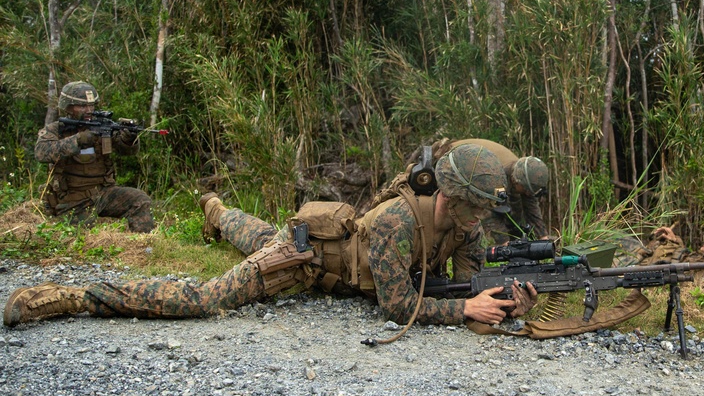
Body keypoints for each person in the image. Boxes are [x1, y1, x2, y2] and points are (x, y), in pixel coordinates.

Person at [4, 144, 538, 329]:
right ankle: (72, 297)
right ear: (454, 197)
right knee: (204, 299)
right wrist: (464, 313)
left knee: (251, 231)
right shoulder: (401, 220)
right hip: (306, 259)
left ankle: (216, 212)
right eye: (474, 211)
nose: (478, 224)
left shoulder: (465, 229)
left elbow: (470, 292)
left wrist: (507, 301)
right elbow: (398, 307)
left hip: (331, 259)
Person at [34, 81, 154, 233]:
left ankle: (143, 247)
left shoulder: (102, 127)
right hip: (72, 199)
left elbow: (127, 151)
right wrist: (78, 140)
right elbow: (41, 152)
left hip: (103, 193)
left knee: (140, 200)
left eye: (91, 106)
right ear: (68, 107)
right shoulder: (56, 130)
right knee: (82, 238)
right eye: (82, 106)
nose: (89, 110)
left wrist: (129, 139)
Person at [412, 138, 550, 245]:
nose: (527, 193)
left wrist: (543, 237)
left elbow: (531, 205)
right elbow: (486, 210)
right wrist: (503, 242)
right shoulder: (496, 177)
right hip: (452, 166)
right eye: (525, 190)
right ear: (516, 182)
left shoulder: (521, 172)